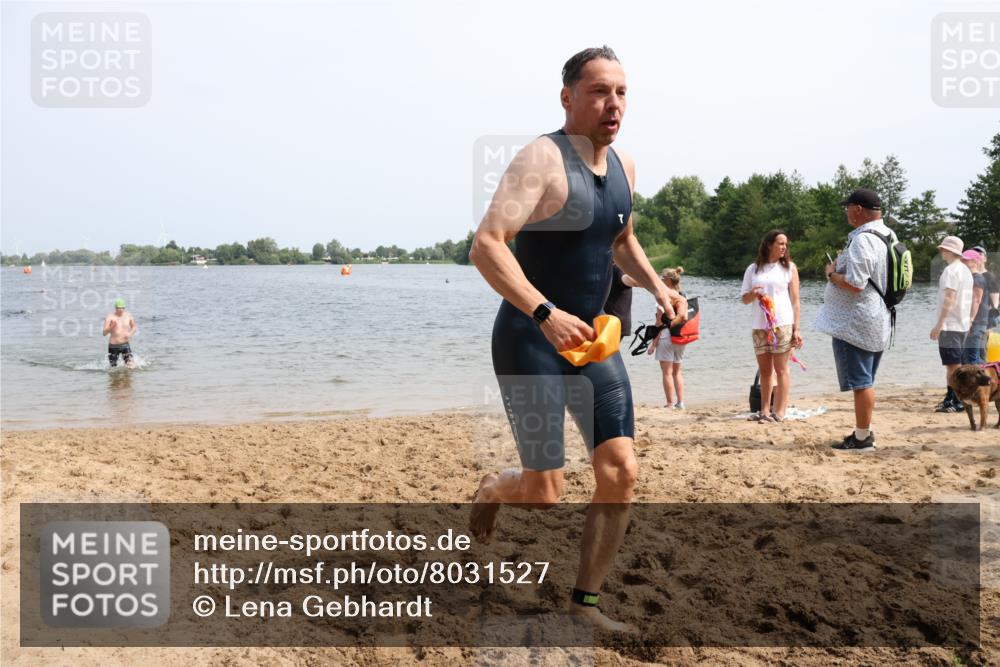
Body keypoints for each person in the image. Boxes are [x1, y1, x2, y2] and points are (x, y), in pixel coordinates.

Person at [468, 46, 673, 632]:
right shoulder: (541, 159)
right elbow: (487, 243)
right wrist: (543, 312)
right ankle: (495, 485)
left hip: (592, 342)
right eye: (600, 91)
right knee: (544, 492)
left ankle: (585, 605)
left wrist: (658, 287)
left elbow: (620, 239)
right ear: (568, 98)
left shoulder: (626, 168)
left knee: (622, 472)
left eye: (623, 92)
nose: (614, 104)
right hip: (530, 337)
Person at [815, 188, 896, 452]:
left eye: (847, 207)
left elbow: (855, 283)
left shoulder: (863, 240)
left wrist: (831, 273)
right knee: (866, 380)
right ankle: (864, 432)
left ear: (858, 209)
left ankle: (862, 438)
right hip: (879, 316)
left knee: (861, 383)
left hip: (856, 322)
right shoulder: (888, 235)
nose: (846, 212)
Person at [740, 230, 803, 423]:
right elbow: (744, 299)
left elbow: (795, 301)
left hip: (782, 323)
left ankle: (780, 411)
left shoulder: (789, 268)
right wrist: (753, 293)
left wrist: (797, 328)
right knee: (765, 371)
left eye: (786, 244)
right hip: (760, 325)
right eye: (781, 243)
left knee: (781, 369)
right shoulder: (753, 269)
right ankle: (764, 411)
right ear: (769, 245)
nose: (784, 247)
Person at [931, 236, 974, 412]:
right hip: (962, 324)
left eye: (942, 249)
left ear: (949, 251)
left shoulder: (951, 271)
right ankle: (955, 398)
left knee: (952, 366)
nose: (941, 252)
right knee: (957, 364)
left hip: (951, 325)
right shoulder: (965, 270)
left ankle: (956, 399)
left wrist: (939, 324)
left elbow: (950, 298)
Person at [647, 267, 689, 409]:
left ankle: (670, 403)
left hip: (666, 337)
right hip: (681, 337)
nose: (661, 281)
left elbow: (659, 323)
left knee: (667, 373)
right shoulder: (683, 296)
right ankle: (681, 402)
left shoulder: (663, 298)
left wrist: (653, 343)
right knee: (677, 372)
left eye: (663, 279)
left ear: (668, 280)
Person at [961, 249, 989, 365]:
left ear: (974, 262)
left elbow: (976, 301)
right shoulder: (971, 278)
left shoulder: (977, 279)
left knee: (972, 358)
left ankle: (984, 380)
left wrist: (970, 320)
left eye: (965, 260)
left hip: (976, 323)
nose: (962, 262)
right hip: (974, 323)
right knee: (967, 357)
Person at [102, 298, 137, 368]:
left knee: (131, 365)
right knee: (113, 368)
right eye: (119, 308)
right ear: (115, 308)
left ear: (124, 308)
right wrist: (111, 327)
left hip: (125, 345)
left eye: (122, 308)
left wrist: (130, 334)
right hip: (113, 346)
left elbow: (134, 327)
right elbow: (104, 333)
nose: (121, 310)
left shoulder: (128, 316)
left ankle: (127, 378)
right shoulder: (110, 317)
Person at [603, 264, 633, 340]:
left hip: (613, 322)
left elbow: (626, 279)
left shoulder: (619, 267)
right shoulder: (609, 267)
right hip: (611, 322)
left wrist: (641, 281)